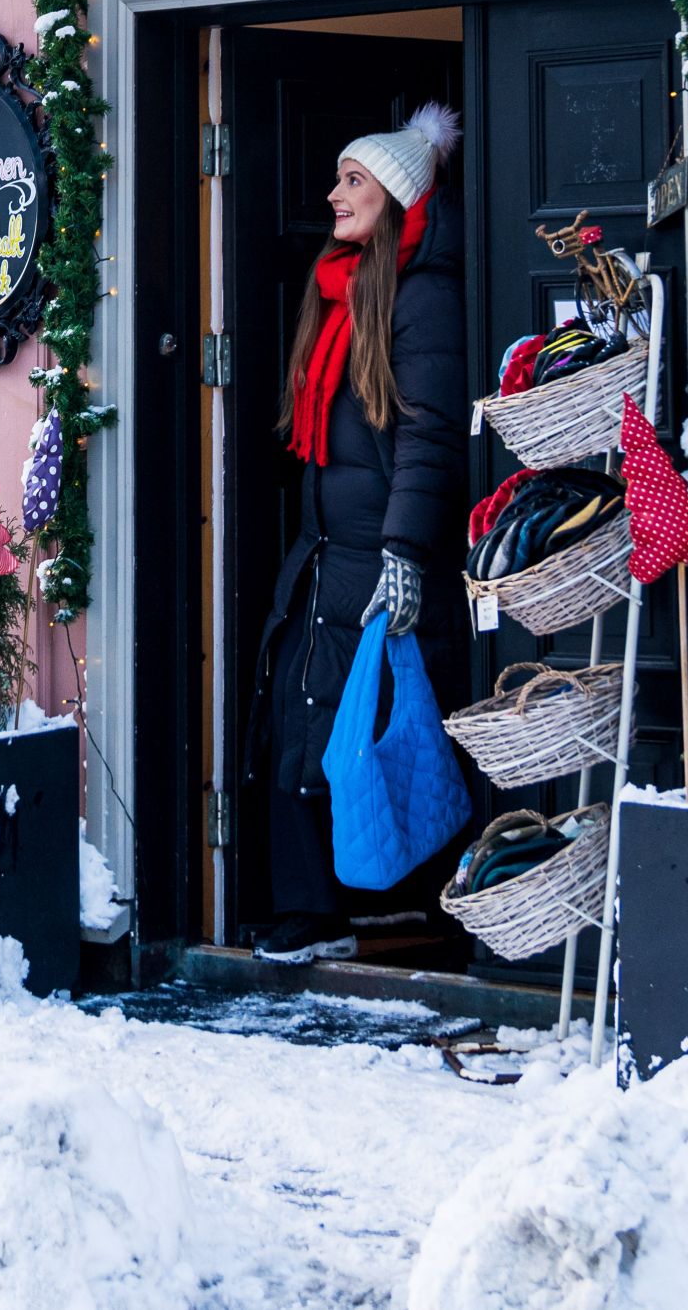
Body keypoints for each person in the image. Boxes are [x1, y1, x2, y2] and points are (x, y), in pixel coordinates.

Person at [252, 103, 471, 960]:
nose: (333, 193)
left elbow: (428, 433)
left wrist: (404, 552)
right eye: (340, 177)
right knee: (301, 720)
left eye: (354, 181)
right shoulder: (338, 288)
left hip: (376, 555)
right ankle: (317, 905)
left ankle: (358, 905)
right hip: (325, 553)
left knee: (360, 728)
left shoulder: (420, 297)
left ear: (397, 194)